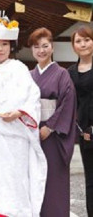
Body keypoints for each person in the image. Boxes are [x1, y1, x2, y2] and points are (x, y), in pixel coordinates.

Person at [0, 13, 47, 217]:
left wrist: (18, 113)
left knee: (15, 181)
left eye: (4, 44)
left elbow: (33, 98)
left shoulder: (20, 69)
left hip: (15, 136)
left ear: (11, 46)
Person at [28, 27, 76, 217]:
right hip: (31, 133)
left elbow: (68, 102)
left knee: (53, 178)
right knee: (33, 178)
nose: (41, 50)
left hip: (53, 135)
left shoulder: (62, 74)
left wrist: (50, 126)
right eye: (36, 46)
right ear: (32, 50)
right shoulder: (28, 75)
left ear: (52, 47)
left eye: (45, 46)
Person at [68, 25, 93, 217]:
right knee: (91, 180)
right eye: (78, 41)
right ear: (73, 46)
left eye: (87, 39)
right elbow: (69, 104)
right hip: (85, 134)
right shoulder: (70, 72)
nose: (83, 44)